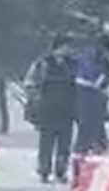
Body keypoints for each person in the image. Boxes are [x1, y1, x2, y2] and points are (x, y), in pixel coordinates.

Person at [24, 34, 76, 183]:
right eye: (65, 46)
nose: (68, 50)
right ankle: (44, 169)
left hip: (67, 109)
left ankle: (61, 170)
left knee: (64, 143)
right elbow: (30, 82)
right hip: (48, 108)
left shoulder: (72, 64)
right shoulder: (43, 64)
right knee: (47, 141)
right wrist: (35, 98)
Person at [73, 34, 109, 160]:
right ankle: (82, 153)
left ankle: (94, 148)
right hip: (89, 95)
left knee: (95, 128)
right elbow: (93, 80)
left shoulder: (101, 61)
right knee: (88, 127)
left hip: (95, 97)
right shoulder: (93, 60)